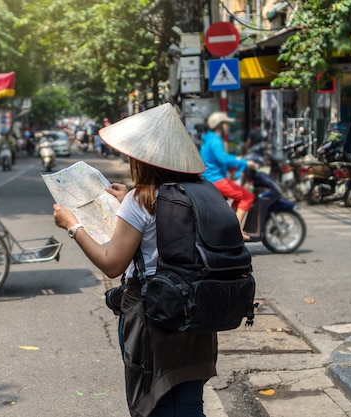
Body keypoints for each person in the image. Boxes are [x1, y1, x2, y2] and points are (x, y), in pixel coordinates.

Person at [53, 103, 216, 417]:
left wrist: (72, 225)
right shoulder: (202, 192)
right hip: (198, 314)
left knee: (153, 404)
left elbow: (112, 264)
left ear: (143, 161)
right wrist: (127, 198)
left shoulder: (142, 200)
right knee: (189, 402)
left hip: (154, 316)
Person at [200, 112, 257, 239]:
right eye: (225, 124)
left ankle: (231, 224)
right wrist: (245, 163)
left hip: (210, 178)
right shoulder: (215, 140)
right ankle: (237, 231)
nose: (227, 126)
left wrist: (236, 159)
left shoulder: (208, 139)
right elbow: (223, 160)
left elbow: (222, 159)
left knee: (239, 197)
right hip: (216, 179)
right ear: (219, 126)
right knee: (247, 196)